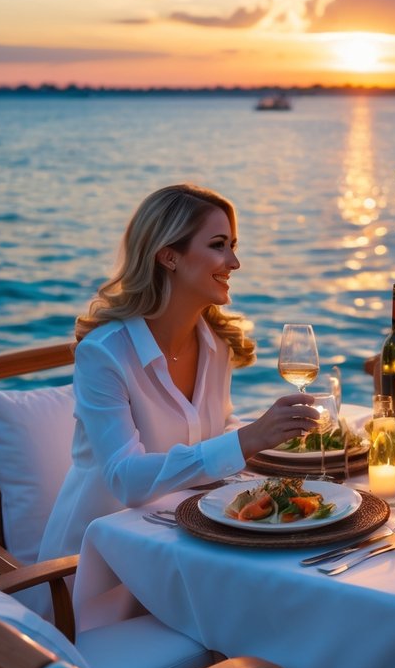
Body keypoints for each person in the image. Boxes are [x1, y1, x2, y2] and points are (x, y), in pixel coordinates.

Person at [40, 184, 317, 559]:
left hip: (187, 545)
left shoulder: (216, 344)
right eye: (218, 245)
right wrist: (246, 440)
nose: (234, 262)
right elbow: (125, 480)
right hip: (97, 562)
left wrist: (263, 435)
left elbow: (218, 429)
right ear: (169, 256)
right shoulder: (104, 354)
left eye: (233, 245)